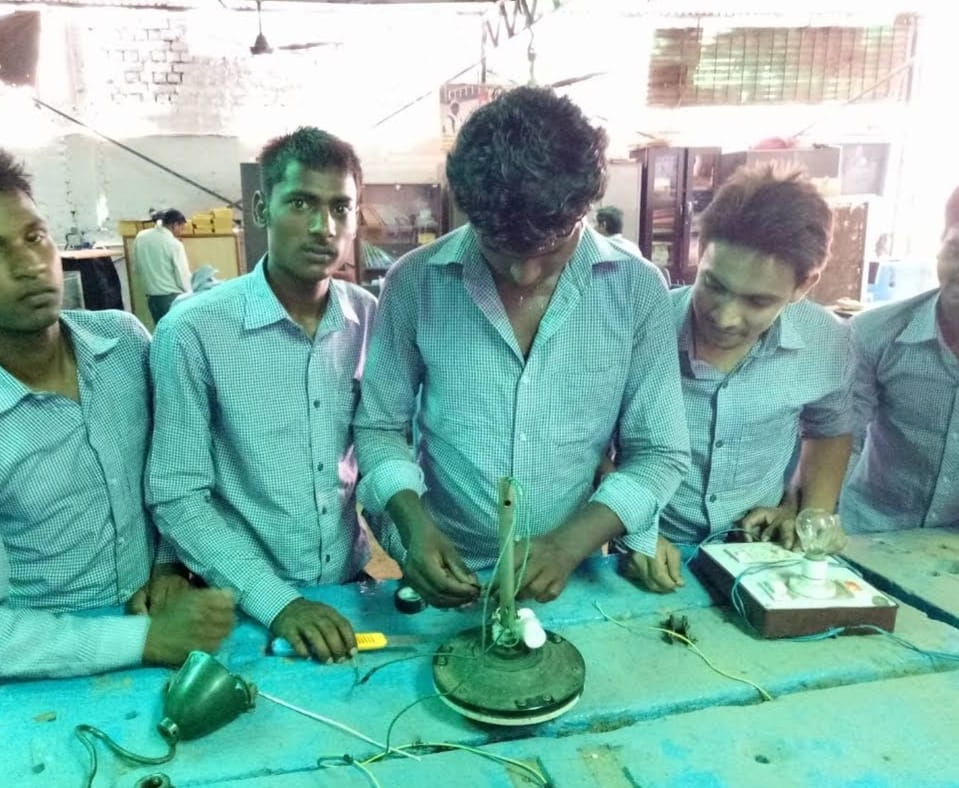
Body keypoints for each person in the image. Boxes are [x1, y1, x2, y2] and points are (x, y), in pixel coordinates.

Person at [0, 145, 235, 678]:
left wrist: (167, 564)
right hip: (49, 669)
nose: (29, 266)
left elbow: (171, 474)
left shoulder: (124, 345)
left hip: (168, 622)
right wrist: (143, 639)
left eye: (34, 237)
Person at [353, 87, 690, 608]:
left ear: (586, 208)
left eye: (549, 250)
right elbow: (379, 427)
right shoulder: (415, 282)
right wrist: (412, 524)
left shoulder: (636, 290)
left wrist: (569, 544)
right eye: (498, 248)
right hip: (446, 563)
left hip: (574, 574)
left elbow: (659, 454)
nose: (523, 273)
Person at [146, 127, 377, 663]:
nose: (323, 228)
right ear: (260, 208)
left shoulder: (369, 318)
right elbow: (178, 494)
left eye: (340, 208)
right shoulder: (193, 331)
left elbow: (375, 451)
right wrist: (280, 604)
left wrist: (413, 548)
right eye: (301, 203)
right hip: (242, 605)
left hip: (348, 591)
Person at [634, 167, 853, 590]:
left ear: (804, 285)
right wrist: (634, 528)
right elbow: (594, 443)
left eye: (757, 301)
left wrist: (806, 517)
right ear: (701, 251)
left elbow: (829, 429)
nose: (725, 317)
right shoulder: (644, 326)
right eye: (714, 285)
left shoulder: (827, 341)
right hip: (653, 549)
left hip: (759, 553)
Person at [839, 185, 959, 531]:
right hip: (870, 530)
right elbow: (842, 437)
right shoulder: (874, 333)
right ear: (940, 243)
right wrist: (819, 522)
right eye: (957, 249)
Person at [132, 208, 191, 324]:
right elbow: (182, 276)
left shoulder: (140, 237)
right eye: (181, 228)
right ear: (174, 225)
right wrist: (191, 294)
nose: (181, 232)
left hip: (152, 299)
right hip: (172, 299)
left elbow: (137, 268)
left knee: (161, 331)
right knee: (177, 332)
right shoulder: (174, 244)